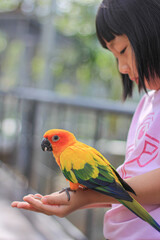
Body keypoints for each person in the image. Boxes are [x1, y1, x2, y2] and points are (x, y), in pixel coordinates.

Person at [11, 0, 160, 239]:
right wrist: (75, 201)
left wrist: (86, 196)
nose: (121, 67)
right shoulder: (145, 105)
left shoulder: (71, 154)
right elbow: (128, 184)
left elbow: (126, 189)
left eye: (122, 50)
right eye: (113, 56)